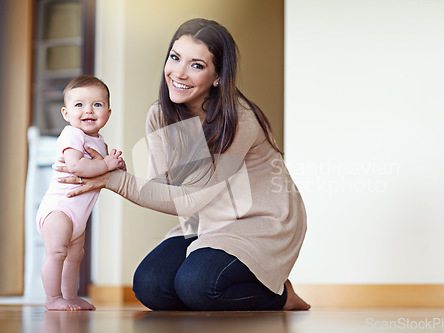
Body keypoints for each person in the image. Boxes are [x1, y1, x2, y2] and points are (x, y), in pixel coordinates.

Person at [57, 19, 310, 311]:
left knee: (198, 286)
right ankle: (224, 285)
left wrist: (112, 180)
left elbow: (190, 199)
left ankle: (279, 295)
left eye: (197, 65)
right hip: (207, 220)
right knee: (149, 285)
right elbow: (165, 191)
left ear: (218, 76)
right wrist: (116, 172)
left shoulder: (239, 119)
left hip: (261, 221)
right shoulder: (161, 114)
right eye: (175, 58)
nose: (179, 73)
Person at [36, 75, 126, 311]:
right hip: (60, 209)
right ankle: (53, 298)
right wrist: (106, 164)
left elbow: (103, 174)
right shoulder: (72, 134)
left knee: (75, 257)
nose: (89, 110)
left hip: (79, 216)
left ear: (108, 111)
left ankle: (70, 296)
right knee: (57, 253)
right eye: (79, 105)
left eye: (97, 104)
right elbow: (76, 166)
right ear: (66, 113)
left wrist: (115, 165)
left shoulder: (99, 141)